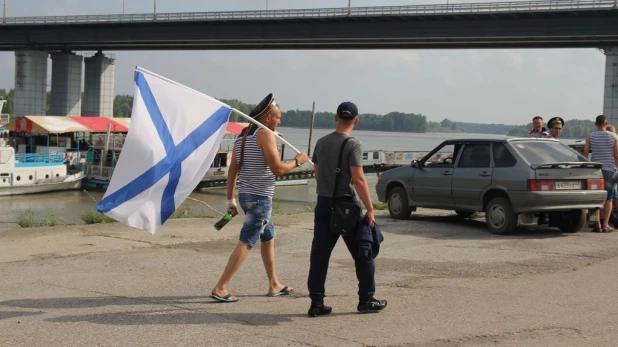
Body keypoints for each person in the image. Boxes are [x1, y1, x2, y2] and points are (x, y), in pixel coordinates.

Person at [210, 93, 309, 302]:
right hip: (260, 199)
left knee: (268, 237)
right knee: (247, 241)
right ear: (267, 118)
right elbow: (277, 169)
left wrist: (230, 200)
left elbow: (233, 171)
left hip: (247, 195)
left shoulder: (243, 136)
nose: (280, 121)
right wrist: (298, 161)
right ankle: (221, 287)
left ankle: (274, 284)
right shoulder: (265, 135)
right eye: (278, 117)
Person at [307, 101, 387, 317]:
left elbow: (316, 171)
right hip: (347, 208)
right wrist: (370, 209)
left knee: (319, 256)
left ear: (335, 118)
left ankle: (316, 303)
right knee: (364, 253)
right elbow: (359, 179)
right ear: (356, 120)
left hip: (323, 204)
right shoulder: (353, 144)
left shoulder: (321, 143)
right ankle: (366, 300)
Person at [584, 115, 618, 233]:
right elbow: (616, 156)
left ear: (595, 124)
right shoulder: (614, 136)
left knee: (596, 197)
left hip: (595, 170)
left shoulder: (590, 136)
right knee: (609, 198)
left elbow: (585, 154)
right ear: (606, 123)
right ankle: (605, 225)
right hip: (609, 169)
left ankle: (597, 225)